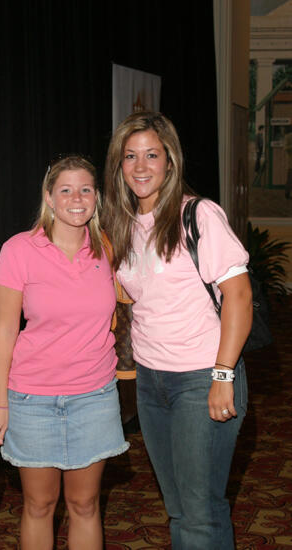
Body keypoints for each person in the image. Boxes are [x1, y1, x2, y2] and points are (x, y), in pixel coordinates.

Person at [102, 111, 253, 550]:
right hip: (152, 382)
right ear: (119, 165)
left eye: (152, 154)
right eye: (130, 156)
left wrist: (222, 376)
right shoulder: (124, 224)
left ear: (170, 160)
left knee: (198, 512)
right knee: (184, 507)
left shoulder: (198, 215)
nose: (141, 166)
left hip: (202, 376)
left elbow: (239, 298)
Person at [0, 155, 129, 550]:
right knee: (39, 504)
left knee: (84, 504)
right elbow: (5, 330)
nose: (76, 198)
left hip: (94, 398)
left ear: (97, 197)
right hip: (32, 399)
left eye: (86, 189)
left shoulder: (108, 250)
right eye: (65, 189)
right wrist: (0, 404)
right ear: (49, 197)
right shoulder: (18, 250)